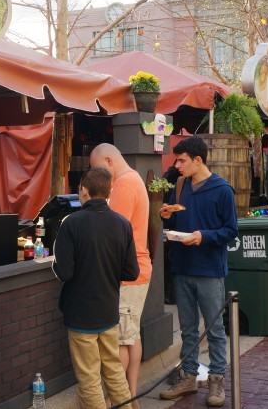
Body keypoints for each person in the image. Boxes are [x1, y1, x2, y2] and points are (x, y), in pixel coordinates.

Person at [158, 136, 238, 407]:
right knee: (188, 329)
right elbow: (179, 218)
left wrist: (203, 236)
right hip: (182, 268)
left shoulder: (222, 190)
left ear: (198, 160)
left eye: (181, 160)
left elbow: (230, 231)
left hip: (209, 269)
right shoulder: (180, 185)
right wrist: (168, 215)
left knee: (215, 328)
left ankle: (217, 378)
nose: (176, 165)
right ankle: (189, 375)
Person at [52, 167, 139, 409]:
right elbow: (132, 272)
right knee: (114, 372)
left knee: (89, 377)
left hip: (80, 314)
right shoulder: (122, 224)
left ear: (84, 191)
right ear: (109, 191)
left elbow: (64, 272)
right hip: (109, 311)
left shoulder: (71, 223)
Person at [90, 143, 152, 405]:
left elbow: (112, 232)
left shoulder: (124, 184)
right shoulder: (134, 178)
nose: (98, 176)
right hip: (139, 270)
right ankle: (131, 396)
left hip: (128, 274)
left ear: (109, 160)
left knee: (121, 342)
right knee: (131, 336)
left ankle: (119, 399)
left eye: (98, 169)